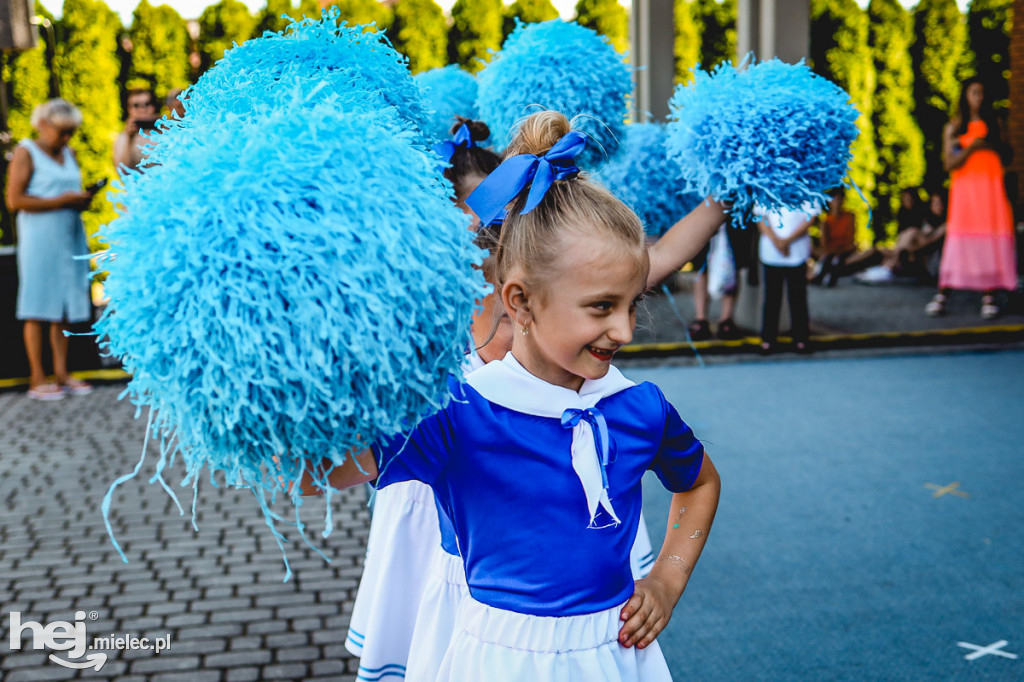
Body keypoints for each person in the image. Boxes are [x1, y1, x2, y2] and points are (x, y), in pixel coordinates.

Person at [308, 111, 721, 681]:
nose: (626, 331)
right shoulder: (455, 413)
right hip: (495, 660)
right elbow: (315, 474)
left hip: (617, 657)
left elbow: (699, 482)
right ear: (520, 302)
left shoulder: (639, 406)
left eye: (632, 304)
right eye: (602, 307)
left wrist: (668, 579)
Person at [344, 118, 507, 678]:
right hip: (416, 491)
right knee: (417, 622)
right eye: (477, 209)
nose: (488, 223)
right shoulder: (419, 286)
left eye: (501, 208)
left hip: (485, 499)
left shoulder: (526, 284)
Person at [4, 99, 97, 399]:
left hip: (69, 235)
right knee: (37, 306)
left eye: (71, 132)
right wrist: (63, 201)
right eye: (62, 131)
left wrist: (82, 200)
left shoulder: (69, 153)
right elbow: (15, 201)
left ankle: (62, 372)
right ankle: (37, 378)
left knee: (64, 308)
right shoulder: (26, 152)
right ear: (43, 125)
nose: (67, 138)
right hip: (39, 240)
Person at [926, 77, 1017, 318]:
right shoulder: (954, 127)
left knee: (989, 238)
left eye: (982, 92)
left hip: (990, 189)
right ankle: (943, 293)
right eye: (974, 92)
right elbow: (949, 163)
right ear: (965, 96)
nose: (979, 97)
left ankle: (989, 294)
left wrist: (990, 145)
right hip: (965, 192)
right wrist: (971, 148)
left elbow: (1008, 156)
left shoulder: (995, 124)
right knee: (958, 239)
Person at [756, 203, 817, 353]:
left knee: (798, 297)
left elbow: (810, 218)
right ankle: (768, 338)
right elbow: (760, 216)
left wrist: (787, 241)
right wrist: (777, 241)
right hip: (771, 252)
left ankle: (801, 337)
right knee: (771, 297)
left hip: (797, 252)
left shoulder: (808, 187)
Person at [856, 190, 947, 284]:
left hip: (932, 259)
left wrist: (907, 250)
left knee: (912, 232)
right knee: (894, 247)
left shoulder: (946, 224)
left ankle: (886, 268)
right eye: (934, 203)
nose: (937, 206)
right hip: (915, 253)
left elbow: (931, 242)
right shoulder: (926, 219)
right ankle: (886, 268)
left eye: (939, 203)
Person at [113, 88, 158, 172]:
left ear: (153, 107)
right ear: (129, 109)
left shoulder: (164, 132)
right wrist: (129, 138)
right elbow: (122, 171)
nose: (142, 109)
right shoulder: (123, 137)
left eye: (147, 104)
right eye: (136, 105)